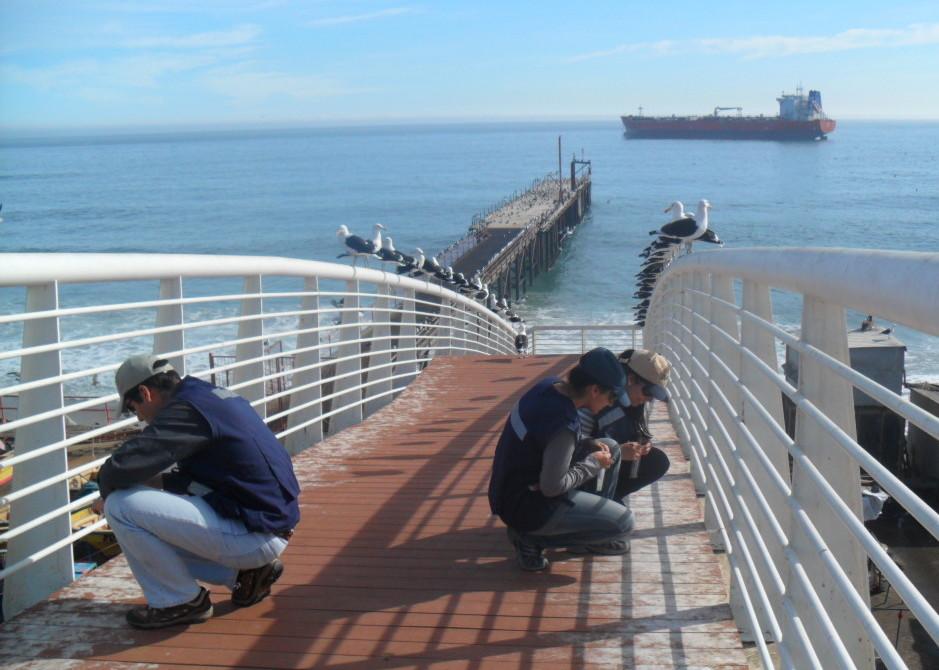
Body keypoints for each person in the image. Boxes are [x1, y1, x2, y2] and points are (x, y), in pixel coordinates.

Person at [95, 354, 301, 629]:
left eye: (134, 409)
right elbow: (197, 478)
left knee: (120, 507)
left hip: (256, 533)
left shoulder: (187, 410)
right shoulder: (205, 397)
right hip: (266, 524)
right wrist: (151, 483)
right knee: (146, 518)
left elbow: (121, 467)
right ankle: (245, 573)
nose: (140, 419)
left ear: (145, 393)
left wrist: (107, 492)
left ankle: (180, 602)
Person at [488, 347, 635, 571]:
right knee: (623, 524)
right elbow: (552, 487)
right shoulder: (563, 427)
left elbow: (542, 439)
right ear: (595, 390)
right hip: (528, 506)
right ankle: (531, 540)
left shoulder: (548, 386)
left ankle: (585, 527)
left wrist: (585, 442)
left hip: (510, 491)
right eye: (611, 396)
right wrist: (592, 463)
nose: (611, 403)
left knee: (611, 447)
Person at [579, 349, 672, 502]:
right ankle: (596, 502)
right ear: (631, 379)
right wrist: (619, 452)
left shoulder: (632, 402)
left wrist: (639, 444)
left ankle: (610, 498)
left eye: (653, 396)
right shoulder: (597, 399)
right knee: (621, 523)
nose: (649, 400)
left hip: (605, 466)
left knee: (657, 461)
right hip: (583, 472)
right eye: (648, 392)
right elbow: (572, 450)